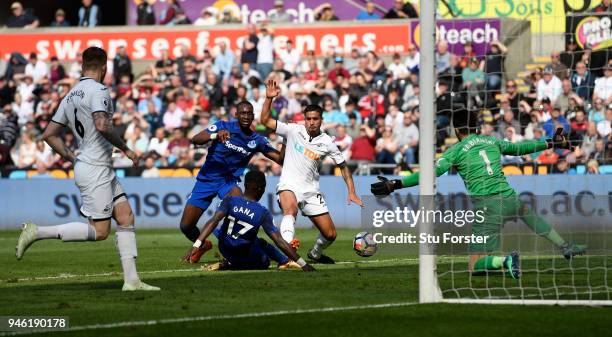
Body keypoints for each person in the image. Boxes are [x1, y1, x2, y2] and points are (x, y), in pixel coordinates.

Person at [371, 110, 586, 278]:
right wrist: (551, 142)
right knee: (531, 217)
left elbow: (430, 172)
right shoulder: (491, 141)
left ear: (456, 130)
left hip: (488, 206)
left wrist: (396, 183)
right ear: (476, 126)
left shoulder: (455, 151)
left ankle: (506, 261)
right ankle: (565, 246)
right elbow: (521, 148)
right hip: (510, 198)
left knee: (474, 266)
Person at [15, 47, 159, 291]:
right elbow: (102, 125)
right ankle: (37, 232)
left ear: (83, 66)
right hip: (96, 169)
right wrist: (126, 149)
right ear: (104, 67)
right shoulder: (99, 90)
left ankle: (132, 281)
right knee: (100, 231)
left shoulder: (70, 95)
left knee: (125, 216)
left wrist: (71, 157)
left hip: (93, 165)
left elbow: (49, 134)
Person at [260, 80, 363, 263]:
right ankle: (289, 255)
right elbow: (265, 120)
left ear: (321, 120)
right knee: (289, 211)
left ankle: (315, 253)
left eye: (315, 119)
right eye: (308, 119)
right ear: (304, 119)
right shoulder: (293, 130)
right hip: (289, 185)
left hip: (311, 190)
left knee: (330, 234)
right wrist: (269, 99)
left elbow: (343, 167)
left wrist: (352, 192)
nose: (312, 122)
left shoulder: (327, 142)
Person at [178, 101, 285, 263]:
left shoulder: (257, 140)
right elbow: (196, 139)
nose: (246, 116)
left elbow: (280, 159)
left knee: (239, 205)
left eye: (249, 114)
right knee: (186, 226)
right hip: (206, 180)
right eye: (243, 113)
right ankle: (203, 245)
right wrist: (215, 135)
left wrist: (285, 137)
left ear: (253, 117)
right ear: (236, 114)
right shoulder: (223, 126)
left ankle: (241, 248)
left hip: (228, 182)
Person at [185, 170, 315, 272]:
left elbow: (213, 221)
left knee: (259, 241)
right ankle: (230, 264)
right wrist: (303, 264)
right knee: (265, 262)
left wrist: (197, 244)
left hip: (224, 247)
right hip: (242, 253)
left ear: (245, 185)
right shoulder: (262, 212)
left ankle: (284, 261)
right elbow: (278, 240)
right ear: (261, 188)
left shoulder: (229, 200)